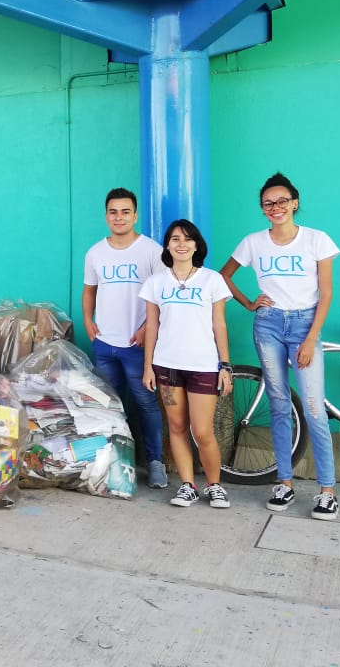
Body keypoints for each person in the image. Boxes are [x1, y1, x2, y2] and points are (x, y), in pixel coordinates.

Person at [220, 173, 340, 521]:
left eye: (282, 201)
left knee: (314, 409)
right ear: (262, 209)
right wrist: (247, 303)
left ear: (295, 203)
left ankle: (327, 490)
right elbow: (224, 275)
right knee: (278, 404)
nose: (276, 208)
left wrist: (310, 338)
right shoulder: (254, 242)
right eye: (268, 203)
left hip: (305, 325)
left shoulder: (316, 240)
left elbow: (326, 293)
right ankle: (284, 482)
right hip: (269, 324)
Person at [140, 219, 234, 509]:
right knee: (177, 427)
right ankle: (187, 485)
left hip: (203, 366)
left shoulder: (211, 280)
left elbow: (219, 325)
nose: (181, 244)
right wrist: (148, 367)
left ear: (197, 245)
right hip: (167, 368)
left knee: (202, 430)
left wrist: (225, 366)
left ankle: (215, 485)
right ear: (167, 245)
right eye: (175, 239)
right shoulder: (156, 282)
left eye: (187, 239)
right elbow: (152, 327)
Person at [82, 187, 168, 489]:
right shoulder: (95, 252)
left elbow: (162, 295)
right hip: (105, 345)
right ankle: (116, 464)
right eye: (113, 212)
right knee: (110, 406)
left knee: (146, 404)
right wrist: (88, 321)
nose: (119, 217)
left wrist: (147, 326)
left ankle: (155, 463)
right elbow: (89, 290)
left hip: (137, 346)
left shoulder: (152, 251)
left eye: (125, 211)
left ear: (136, 215)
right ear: (106, 215)